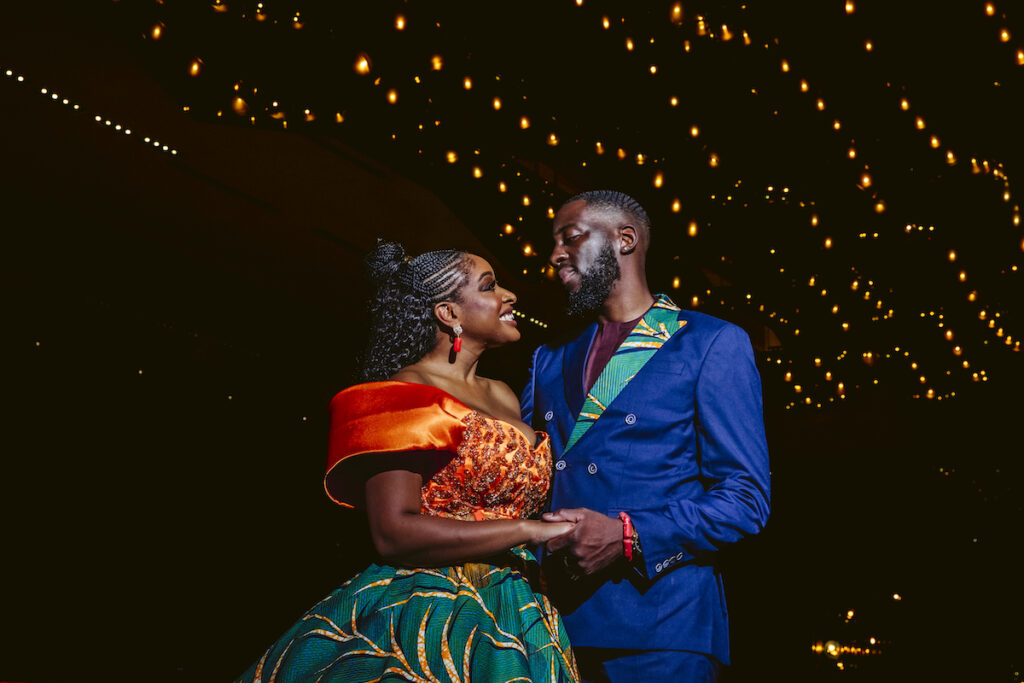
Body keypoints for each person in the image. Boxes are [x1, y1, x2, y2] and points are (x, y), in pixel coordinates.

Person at [236, 241, 579, 683]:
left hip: (519, 603)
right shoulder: (402, 394)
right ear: (448, 314)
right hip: (431, 607)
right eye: (490, 286)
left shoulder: (504, 394)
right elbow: (392, 532)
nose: (509, 295)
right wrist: (528, 531)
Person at [521, 190, 771, 682]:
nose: (554, 255)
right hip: (549, 626)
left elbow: (746, 500)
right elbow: (528, 481)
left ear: (625, 239)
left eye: (570, 238)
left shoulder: (710, 342)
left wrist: (628, 536)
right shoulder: (548, 358)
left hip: (661, 627)